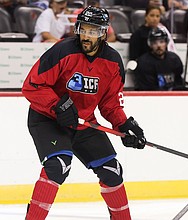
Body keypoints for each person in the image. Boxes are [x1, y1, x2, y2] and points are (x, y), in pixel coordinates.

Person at [22, 5, 146, 220]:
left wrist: (124, 126)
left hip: (83, 122)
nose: (87, 36)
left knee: (112, 171)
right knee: (58, 166)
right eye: (84, 30)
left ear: (104, 33)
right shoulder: (62, 51)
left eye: (94, 31)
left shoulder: (113, 62)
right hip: (48, 119)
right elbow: (32, 86)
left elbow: (110, 104)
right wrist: (57, 105)